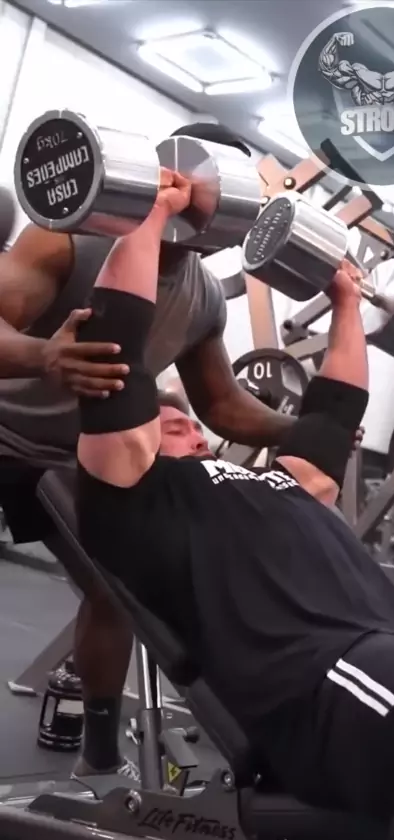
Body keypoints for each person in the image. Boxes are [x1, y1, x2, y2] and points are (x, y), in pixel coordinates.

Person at [76, 172, 394, 840]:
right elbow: (116, 338)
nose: (189, 425)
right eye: (168, 421)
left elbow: (334, 408)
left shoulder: (289, 480)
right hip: (319, 670)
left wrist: (346, 300)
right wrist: (154, 213)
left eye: (191, 423)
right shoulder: (136, 495)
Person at [0, 122, 298, 780]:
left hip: (70, 459)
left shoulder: (205, 297)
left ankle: (99, 759)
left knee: (115, 587)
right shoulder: (69, 238)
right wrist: (44, 355)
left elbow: (221, 405)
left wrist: (301, 430)